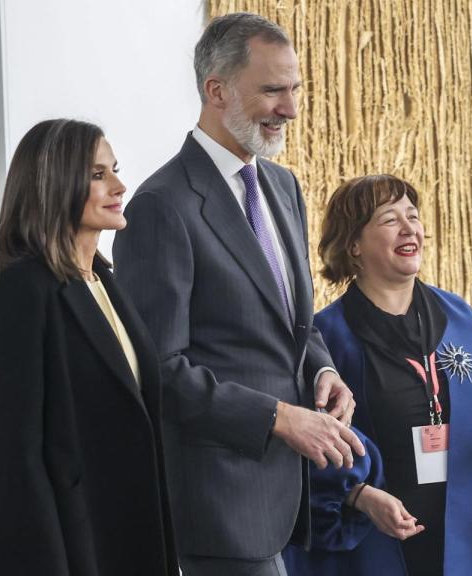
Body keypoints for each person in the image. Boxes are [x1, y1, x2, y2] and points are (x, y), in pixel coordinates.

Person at [112, 13, 363, 576]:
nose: (291, 108)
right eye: (273, 90)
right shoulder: (161, 206)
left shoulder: (283, 186)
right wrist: (279, 417)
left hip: (288, 497)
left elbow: (294, 323)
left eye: (294, 88)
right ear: (216, 90)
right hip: (219, 502)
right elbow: (160, 370)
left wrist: (323, 372)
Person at [283, 175, 472, 576]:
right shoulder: (326, 340)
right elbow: (301, 456)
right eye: (389, 220)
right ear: (354, 244)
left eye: (414, 216)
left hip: (469, 542)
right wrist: (360, 495)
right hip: (374, 548)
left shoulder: (458, 317)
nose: (410, 229)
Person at [0, 119, 179, 576]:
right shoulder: (20, 291)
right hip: (71, 547)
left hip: (130, 538)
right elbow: (15, 458)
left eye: (114, 169)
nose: (120, 185)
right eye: (98, 175)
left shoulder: (107, 283)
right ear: (54, 184)